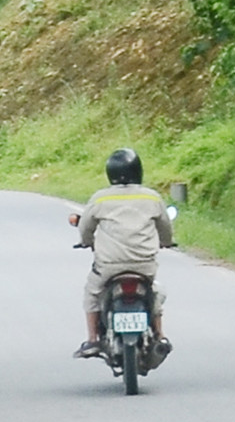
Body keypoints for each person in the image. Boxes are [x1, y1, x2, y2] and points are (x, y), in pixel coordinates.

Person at [72, 148, 174, 359]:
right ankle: (160, 335)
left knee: (92, 293)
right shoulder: (151, 197)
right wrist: (166, 242)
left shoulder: (100, 199)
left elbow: (86, 227)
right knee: (154, 292)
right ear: (139, 171)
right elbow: (165, 227)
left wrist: (85, 242)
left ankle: (92, 340)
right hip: (144, 265)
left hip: (109, 266)